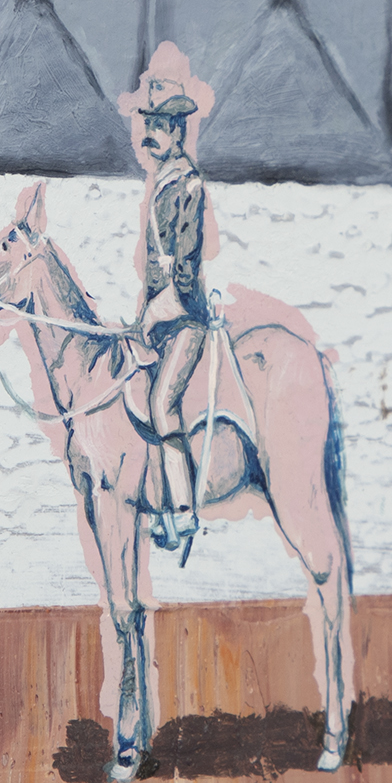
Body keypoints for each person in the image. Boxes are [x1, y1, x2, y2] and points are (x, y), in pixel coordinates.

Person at [138, 86, 210, 551]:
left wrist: (157, 309)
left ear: (178, 134)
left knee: (163, 402)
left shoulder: (189, 185)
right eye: (148, 127)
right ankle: (156, 504)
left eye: (158, 128)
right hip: (159, 316)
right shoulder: (164, 180)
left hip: (185, 316)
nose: (150, 136)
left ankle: (183, 512)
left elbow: (185, 265)